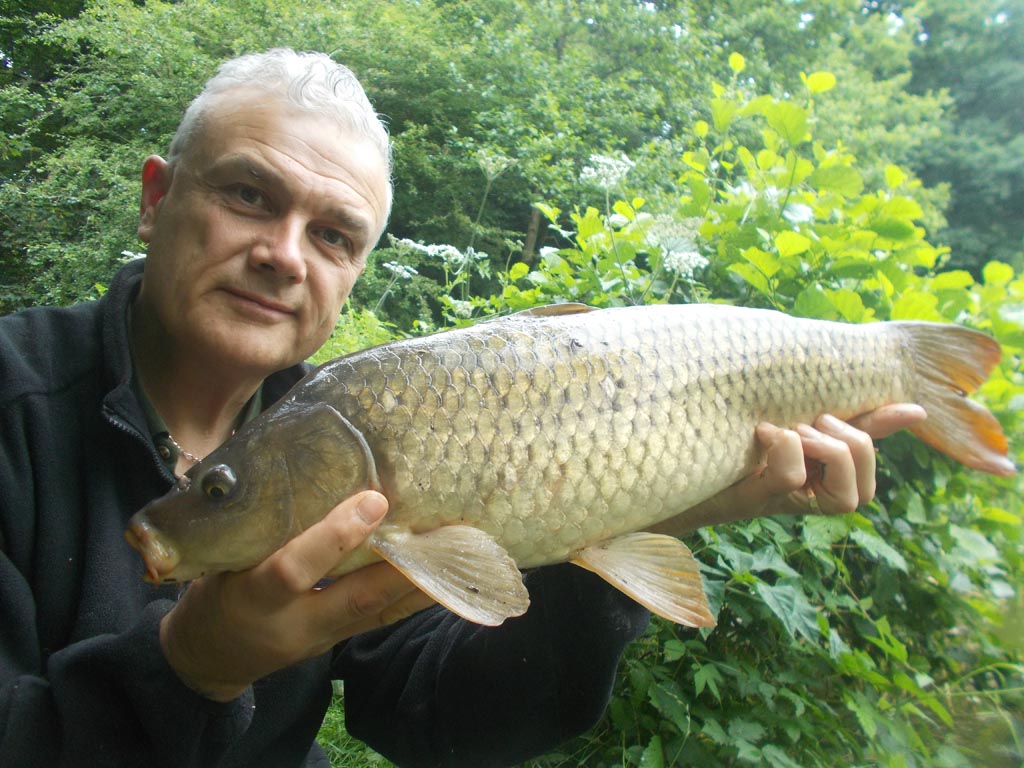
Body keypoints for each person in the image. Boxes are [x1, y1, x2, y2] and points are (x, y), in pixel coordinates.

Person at [0, 48, 925, 768]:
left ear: (353, 272)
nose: (285, 254)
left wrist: (646, 505)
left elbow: (444, 728)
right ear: (157, 200)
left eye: (332, 235)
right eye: (249, 194)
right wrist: (191, 670)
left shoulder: (340, 425)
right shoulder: (18, 403)